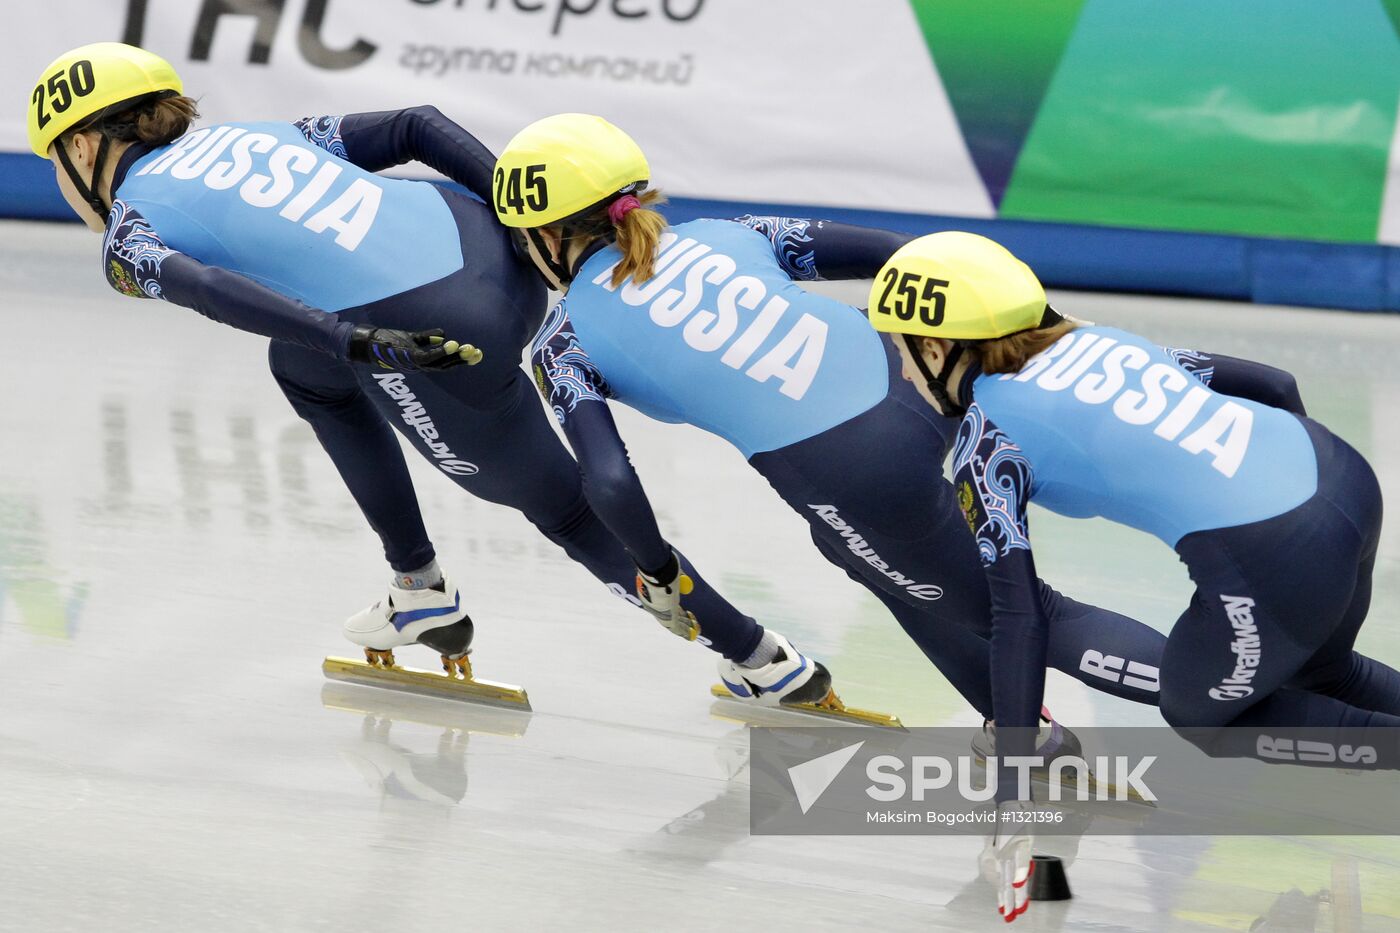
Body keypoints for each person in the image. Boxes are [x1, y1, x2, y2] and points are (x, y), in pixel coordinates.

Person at [27, 42, 819, 703]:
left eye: (56, 163)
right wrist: (524, 220)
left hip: (438, 337)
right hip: (487, 242)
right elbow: (417, 125)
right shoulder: (261, 132)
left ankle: (760, 658)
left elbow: (209, 291)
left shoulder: (129, 231)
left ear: (85, 146)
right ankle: (418, 588)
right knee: (301, 367)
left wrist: (352, 339)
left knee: (573, 515)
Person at [493, 112, 1182, 726]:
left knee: (1029, 613)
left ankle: (1253, 701)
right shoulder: (730, 234)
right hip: (918, 369)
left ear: (549, 235)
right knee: (854, 550)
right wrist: (1031, 326)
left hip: (855, 465)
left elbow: (609, 480)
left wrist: (659, 574)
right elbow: (895, 253)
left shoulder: (564, 342)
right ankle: (1018, 723)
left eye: (525, 239)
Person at [865, 230, 1400, 921]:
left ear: (936, 349)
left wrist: (1011, 795)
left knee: (1200, 714)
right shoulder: (1098, 342)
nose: (903, 374)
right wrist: (1293, 507)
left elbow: (1020, 618)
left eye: (899, 351)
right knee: (1324, 674)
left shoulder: (986, 442)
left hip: (1277, 551)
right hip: (1341, 475)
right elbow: (1274, 385)